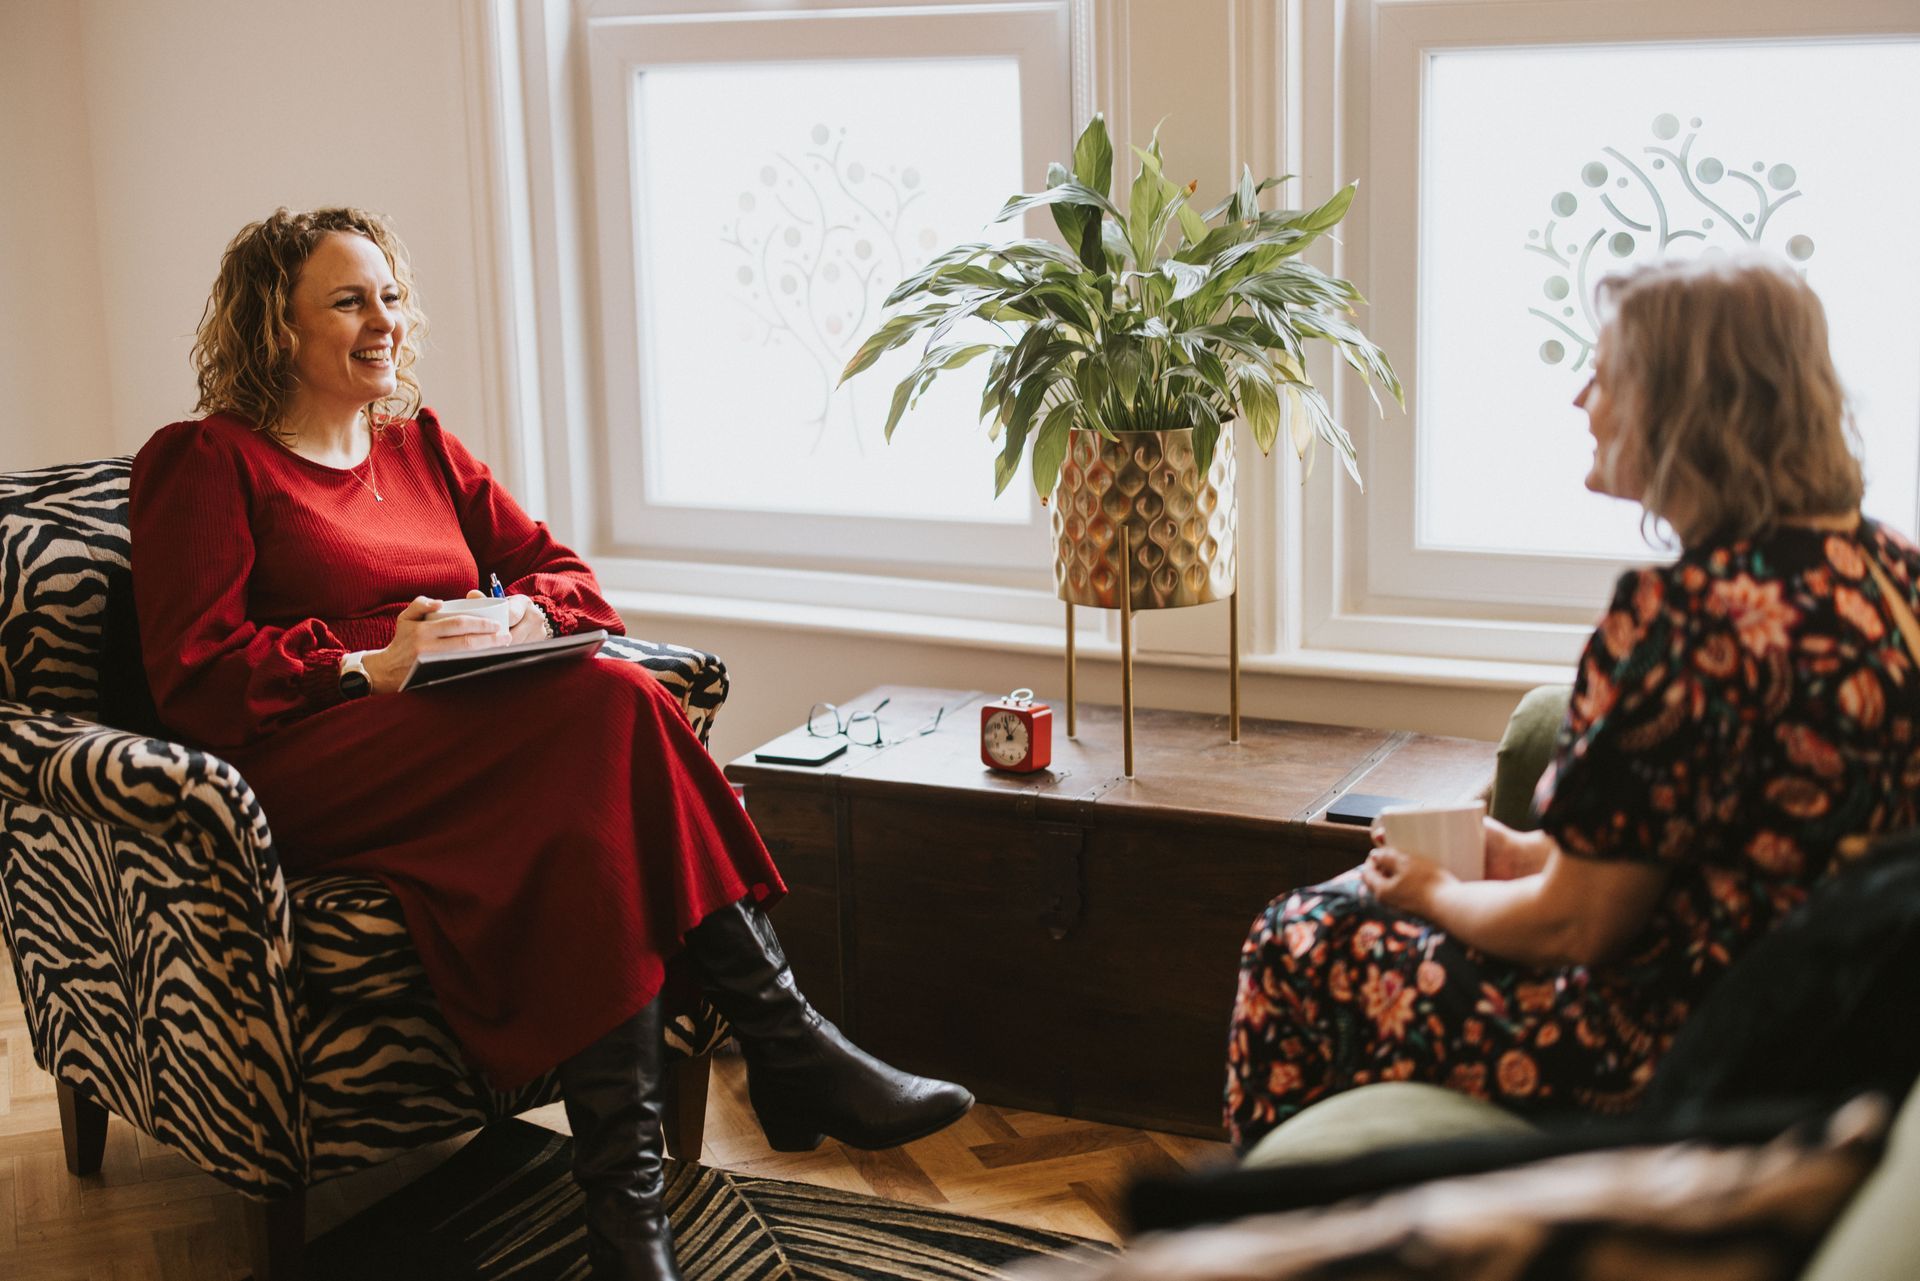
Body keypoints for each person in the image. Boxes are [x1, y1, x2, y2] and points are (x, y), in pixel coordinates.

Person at [129, 207, 972, 1281]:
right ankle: (787, 1040)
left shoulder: (421, 445)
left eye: (389, 294)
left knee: (588, 823)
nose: (383, 320)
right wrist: (365, 663)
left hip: (470, 744)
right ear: (274, 328)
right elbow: (193, 674)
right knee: (615, 708)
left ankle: (631, 1225)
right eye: (348, 300)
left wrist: (524, 619)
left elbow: (570, 583)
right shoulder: (206, 461)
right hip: (309, 765)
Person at [1224, 253, 1920, 1153]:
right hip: (1831, 1037)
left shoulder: (1683, 619)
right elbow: (1721, 846)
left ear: (1680, 401)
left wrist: (1437, 890)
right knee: (1351, 905)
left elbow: (1576, 925)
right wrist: (1521, 855)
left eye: (1603, 372)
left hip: (1667, 1055)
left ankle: (1268, 1230)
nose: (1579, 398)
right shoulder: (1894, 574)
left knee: (1296, 936)